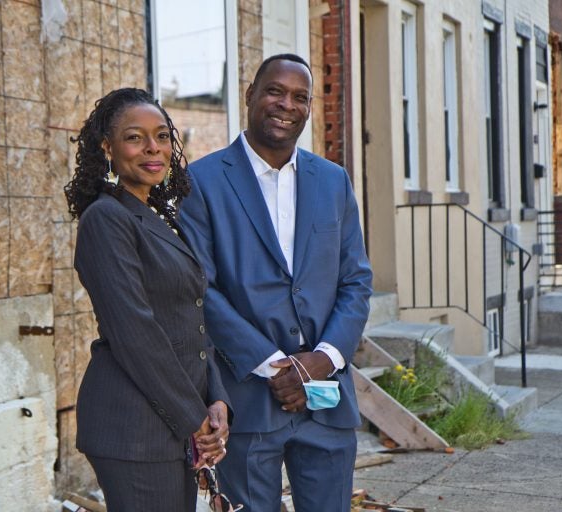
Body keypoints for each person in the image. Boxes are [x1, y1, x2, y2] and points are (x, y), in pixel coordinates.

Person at [178, 54, 373, 511]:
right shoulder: (200, 182)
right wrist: (273, 366)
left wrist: (321, 360)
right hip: (246, 400)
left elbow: (356, 280)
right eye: (275, 91)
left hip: (326, 401)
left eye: (300, 97)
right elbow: (198, 288)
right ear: (250, 96)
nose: (286, 104)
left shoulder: (333, 180)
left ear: (309, 107)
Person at [64, 88, 231, 512]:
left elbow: (192, 316)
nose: (152, 148)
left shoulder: (161, 218)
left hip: (172, 418)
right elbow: (136, 333)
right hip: (133, 425)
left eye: (161, 137)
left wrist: (217, 399)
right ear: (108, 148)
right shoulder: (106, 219)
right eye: (135, 137)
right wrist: (194, 420)